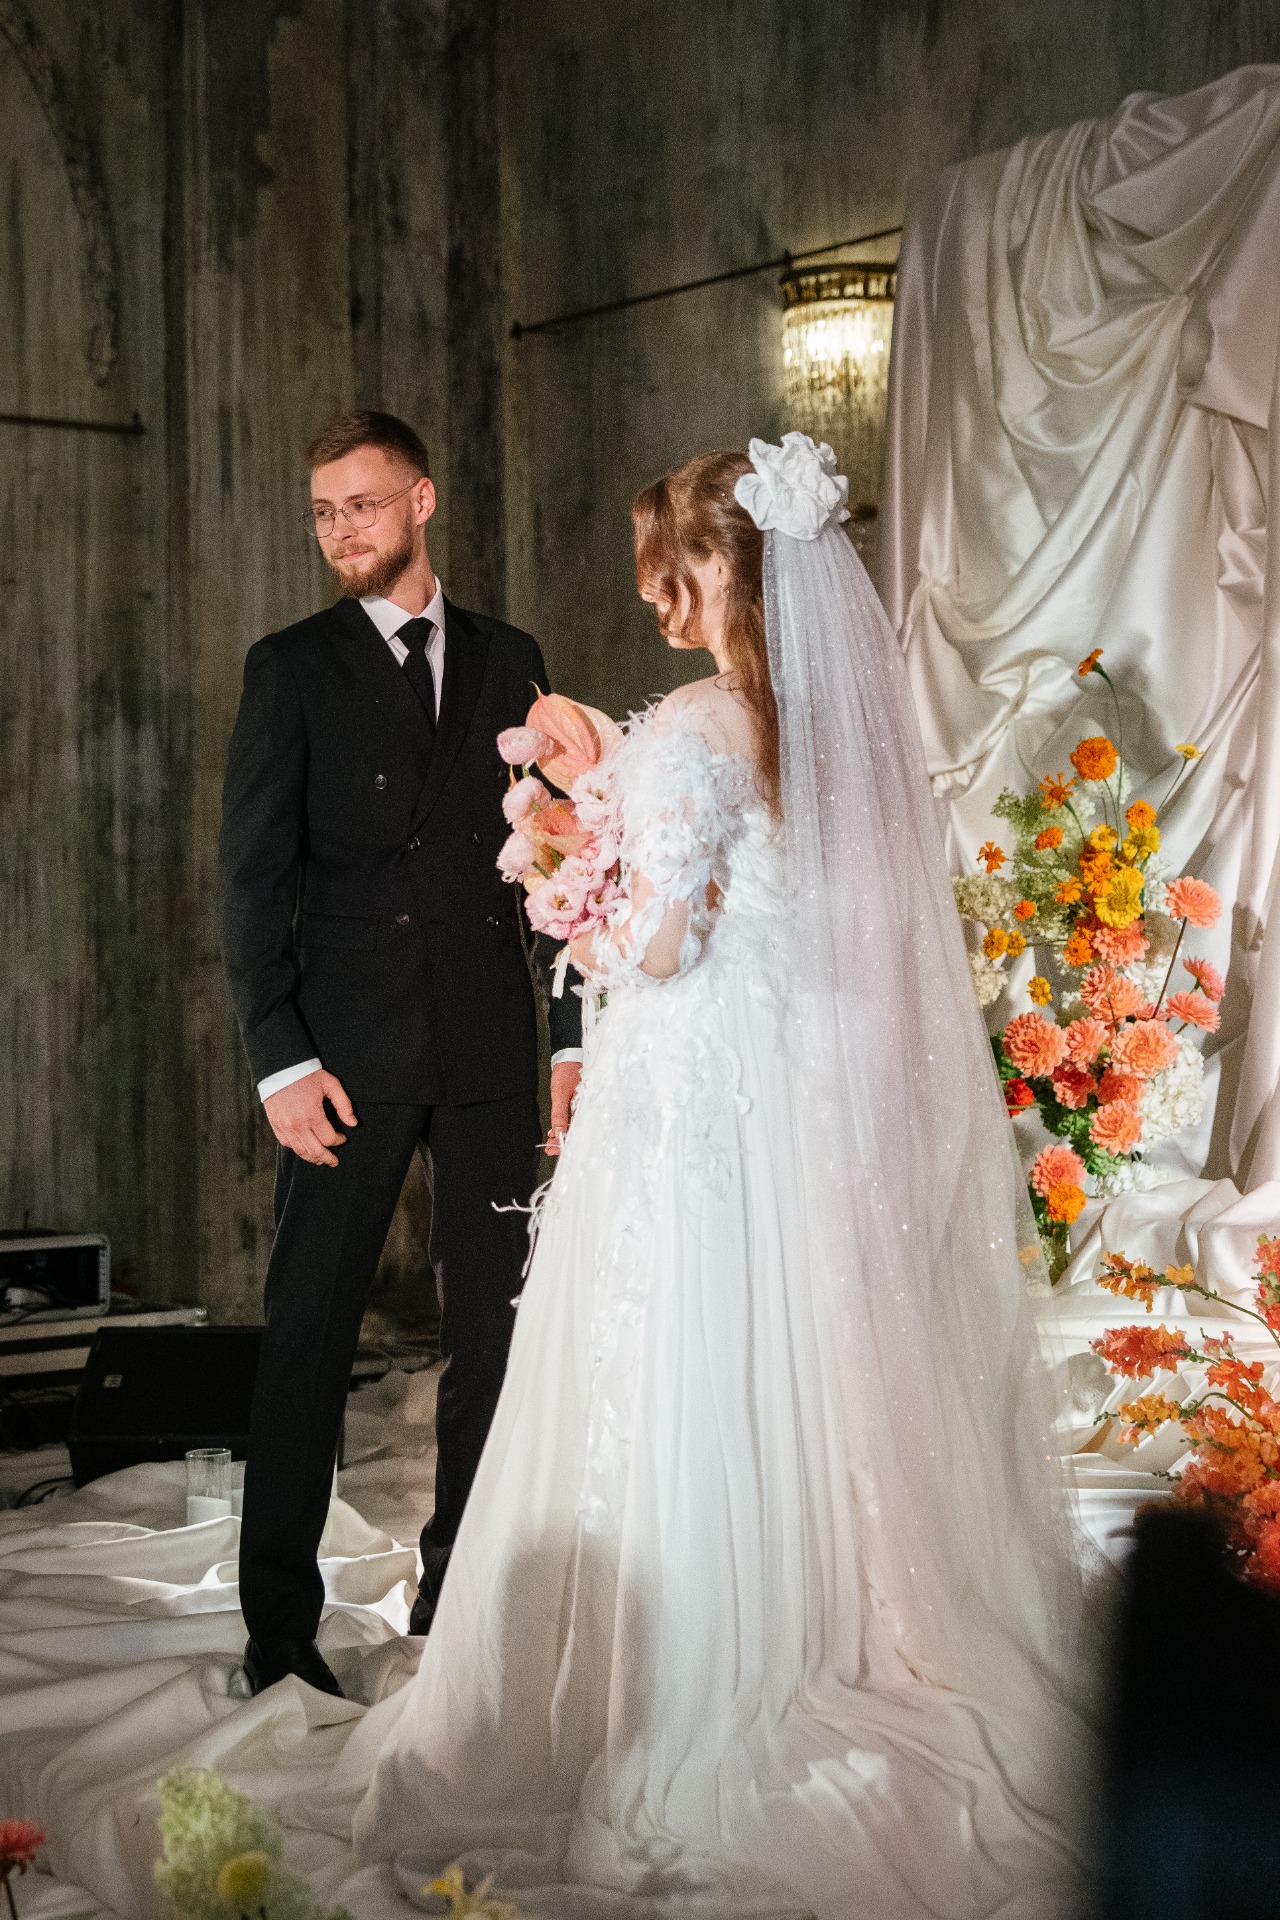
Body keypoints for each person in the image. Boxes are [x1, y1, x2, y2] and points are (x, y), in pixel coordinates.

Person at [341, 434, 1095, 1916]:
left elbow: (667, 944)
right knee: (798, 1346)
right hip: (788, 1095)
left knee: (674, 1348)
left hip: (686, 1093)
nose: (653, 599)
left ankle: (687, 1671)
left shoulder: (696, 724)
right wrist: (595, 820)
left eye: (666, 570)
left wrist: (565, 885)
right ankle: (839, 1609)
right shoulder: (823, 723)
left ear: (720, 567)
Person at [219, 410, 582, 1698]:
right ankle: (278, 1630)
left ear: (422, 501)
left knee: (491, 1339)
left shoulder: (510, 657)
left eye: (362, 505)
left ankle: (455, 1598)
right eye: (324, 512)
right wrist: (280, 1061)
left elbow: (556, 864)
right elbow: (251, 881)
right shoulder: (291, 668)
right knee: (308, 1339)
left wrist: (571, 1038)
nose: (340, 531)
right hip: (345, 1062)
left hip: (487, 1051)